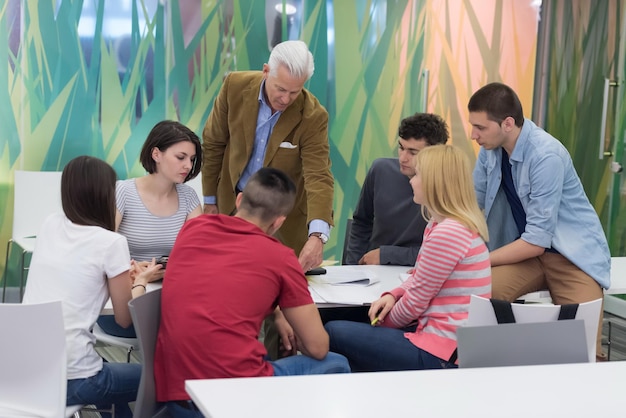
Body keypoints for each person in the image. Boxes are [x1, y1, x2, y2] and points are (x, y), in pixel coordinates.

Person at [154, 168, 350, 416]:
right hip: (235, 397)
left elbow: (227, 281)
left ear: (239, 200)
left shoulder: (193, 228)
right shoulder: (281, 257)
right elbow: (318, 347)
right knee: (336, 364)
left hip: (177, 397)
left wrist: (278, 311)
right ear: (279, 221)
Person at [201, 39, 334, 359]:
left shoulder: (312, 115)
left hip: (281, 219)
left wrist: (318, 235)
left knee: (277, 304)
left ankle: (274, 375)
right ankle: (224, 361)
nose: (286, 99)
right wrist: (209, 201)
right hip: (233, 206)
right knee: (226, 292)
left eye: (295, 91)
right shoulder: (234, 87)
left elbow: (319, 175)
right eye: (280, 89)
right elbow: (214, 142)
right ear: (265, 72)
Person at [469, 82, 610, 361]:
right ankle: (485, 376)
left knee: (582, 349)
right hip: (524, 254)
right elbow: (473, 207)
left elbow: (536, 240)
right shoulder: (489, 151)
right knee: (475, 297)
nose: (473, 135)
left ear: (507, 123)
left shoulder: (546, 155)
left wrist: (479, 260)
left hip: (571, 256)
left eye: (480, 128)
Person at [325, 145, 491, 372]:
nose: (411, 181)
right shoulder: (443, 224)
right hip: (443, 344)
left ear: (434, 182)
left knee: (332, 330)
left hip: (440, 353)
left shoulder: (448, 232)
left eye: (418, 175)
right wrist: (394, 295)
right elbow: (419, 277)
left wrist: (379, 323)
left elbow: (415, 304)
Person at [22, 156, 160, 417]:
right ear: (104, 195)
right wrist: (140, 281)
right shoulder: (111, 243)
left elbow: (77, 272)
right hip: (76, 379)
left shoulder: (50, 223)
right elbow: (123, 319)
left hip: (28, 372)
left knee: (112, 380)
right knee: (162, 378)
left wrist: (119, 274)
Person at [96, 120, 203, 338]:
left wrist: (162, 271)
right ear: (156, 154)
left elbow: (200, 254)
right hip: (125, 300)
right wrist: (136, 272)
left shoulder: (189, 197)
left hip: (171, 294)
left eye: (192, 159)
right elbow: (100, 252)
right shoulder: (122, 192)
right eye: (180, 157)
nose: (188, 166)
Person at [344, 112, 449, 266]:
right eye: (401, 147)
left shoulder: (449, 189)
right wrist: (352, 271)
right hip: (372, 273)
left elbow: (443, 254)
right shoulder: (380, 170)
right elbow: (361, 224)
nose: (402, 158)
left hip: (420, 273)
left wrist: (387, 254)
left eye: (413, 152)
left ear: (436, 154)